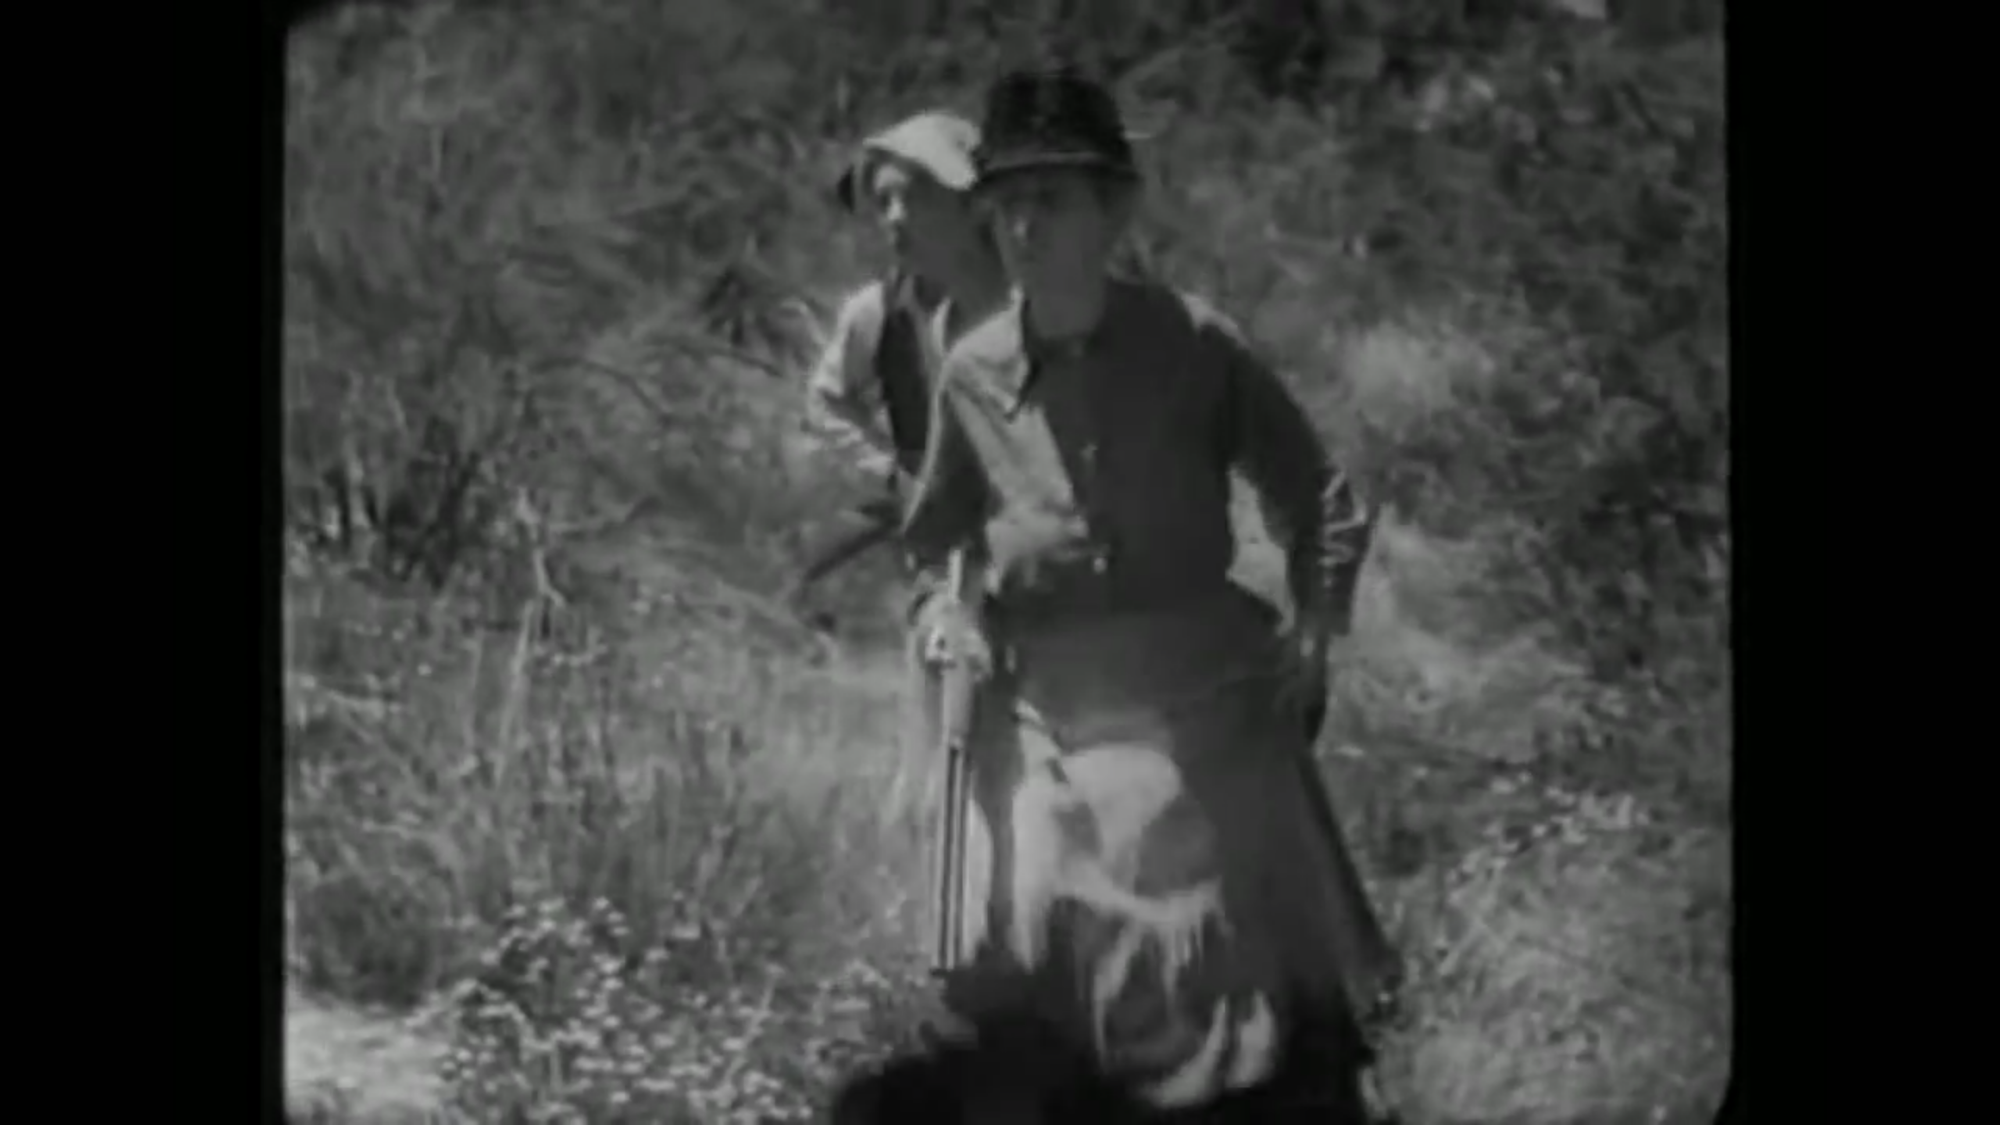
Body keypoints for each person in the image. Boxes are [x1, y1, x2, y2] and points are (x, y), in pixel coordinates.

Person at [898, 65, 1403, 1115]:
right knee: (1019, 937)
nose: (1025, 228)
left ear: (1113, 211)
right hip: (1049, 711)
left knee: (1259, 970)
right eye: (1006, 204)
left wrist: (1314, 633)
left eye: (1053, 200)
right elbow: (937, 544)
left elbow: (1318, 501)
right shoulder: (971, 370)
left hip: (1209, 700)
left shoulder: (1196, 344)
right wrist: (948, 615)